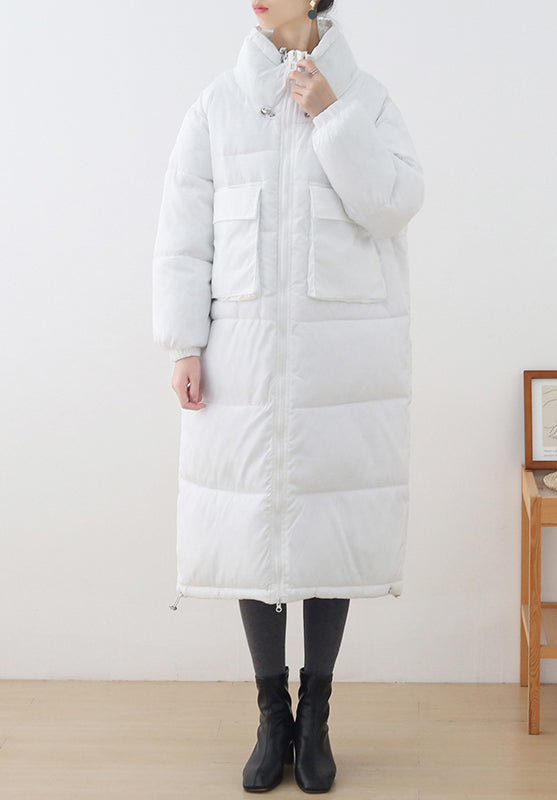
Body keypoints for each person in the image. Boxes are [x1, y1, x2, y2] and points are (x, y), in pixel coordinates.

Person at [152, 0, 424, 792]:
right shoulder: (217, 106)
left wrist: (332, 115)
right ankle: (273, 715)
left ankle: (317, 717)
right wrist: (184, 343)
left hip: (342, 361)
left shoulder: (365, 97)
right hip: (243, 359)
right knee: (253, 528)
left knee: (328, 526)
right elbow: (183, 237)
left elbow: (393, 206)